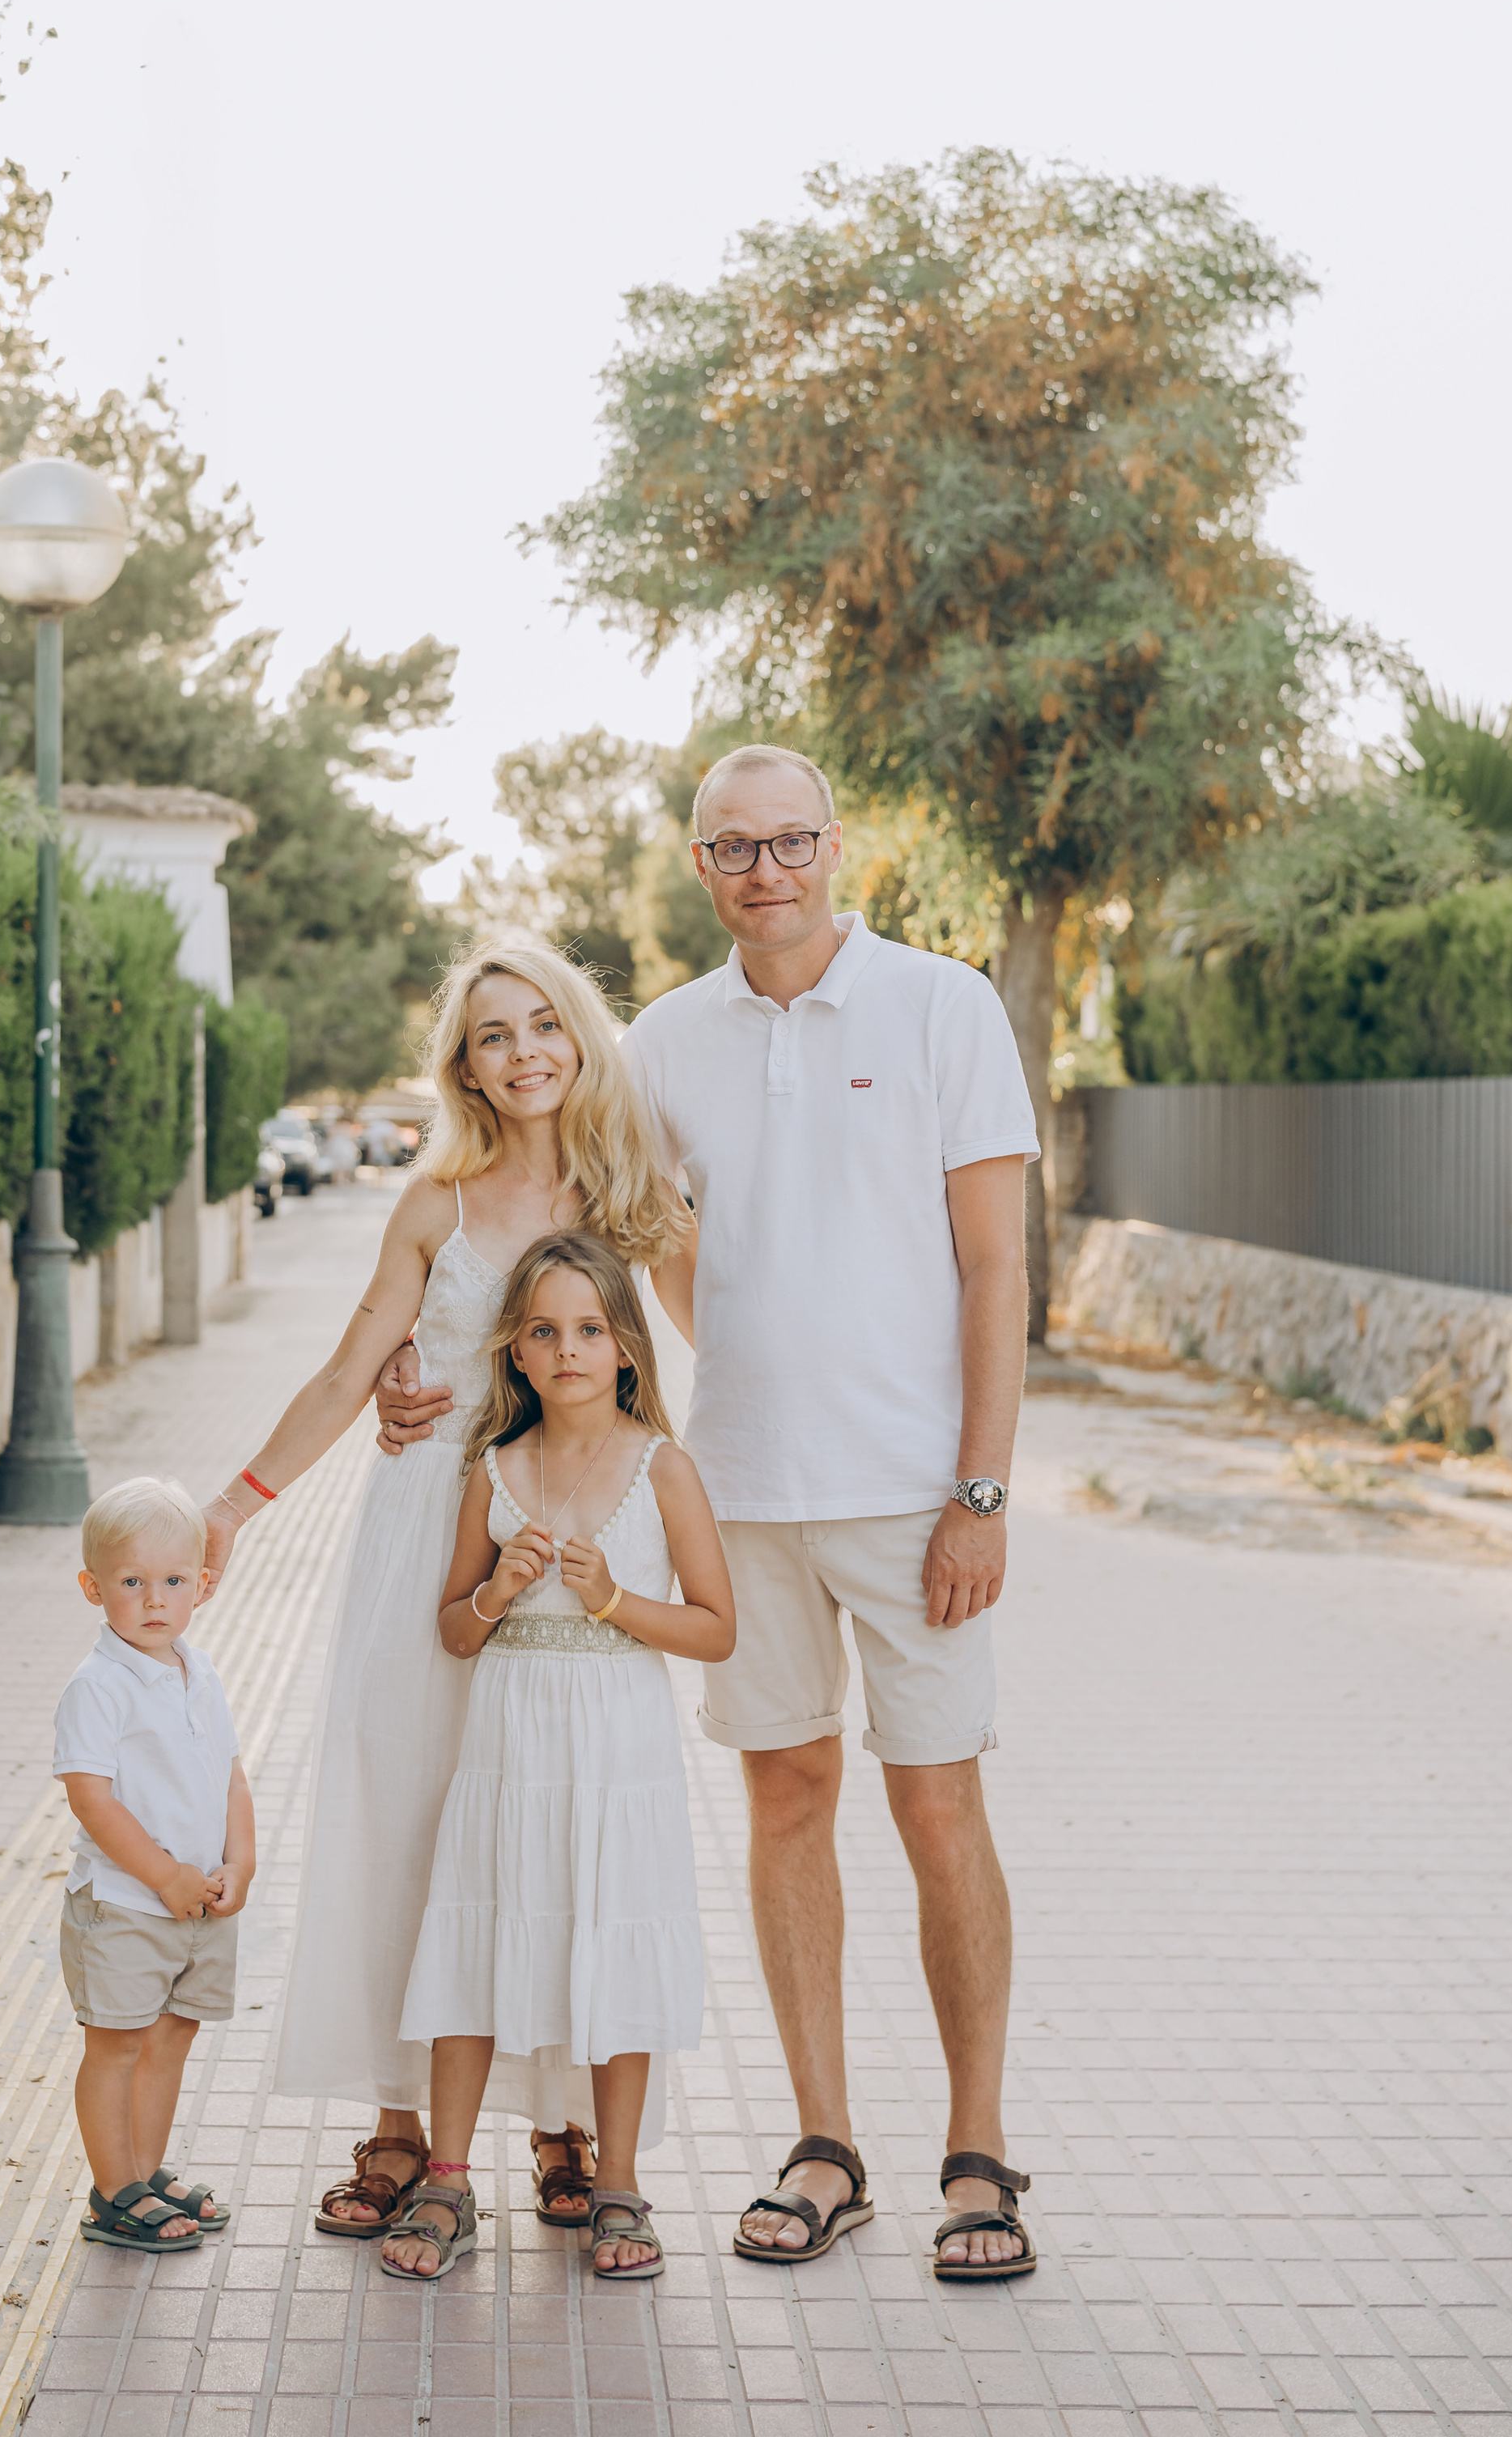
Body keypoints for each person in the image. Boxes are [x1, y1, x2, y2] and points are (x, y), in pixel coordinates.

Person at [376, 745, 1040, 2281]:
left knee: (940, 1809)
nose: (767, 871)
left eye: (791, 840)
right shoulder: (665, 1041)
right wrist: (419, 1363)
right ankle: (825, 2149)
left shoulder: (944, 1008)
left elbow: (999, 1268)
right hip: (736, 1497)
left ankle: (980, 2160)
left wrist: (982, 1489)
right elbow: (575, 1217)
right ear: (699, 865)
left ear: (835, 842)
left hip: (916, 1496)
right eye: (733, 849)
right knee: (787, 1802)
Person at [198, 938, 694, 2244]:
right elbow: (357, 1361)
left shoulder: (629, 1186)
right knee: (411, 1813)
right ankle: (403, 2118)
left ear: (580, 1038)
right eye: (492, 1035)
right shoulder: (435, 1201)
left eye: (545, 1025)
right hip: (428, 1529)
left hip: (570, 1528)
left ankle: (563, 2121)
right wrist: (235, 1504)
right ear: (462, 1064)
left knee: (555, 1816)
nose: (524, 1051)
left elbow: (701, 1336)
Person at [380, 1232, 735, 2285]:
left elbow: (717, 1629)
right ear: (518, 1354)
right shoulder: (494, 1467)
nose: (568, 1348)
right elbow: (453, 1627)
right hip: (509, 1739)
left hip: (616, 1748)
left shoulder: (663, 1468)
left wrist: (615, 1600)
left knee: (613, 1937)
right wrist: (498, 1591)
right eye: (545, 1331)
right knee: (478, 1933)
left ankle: (617, 2179)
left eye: (589, 1329)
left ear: (627, 1346)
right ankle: (449, 2176)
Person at [53, 1475, 254, 2252]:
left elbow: (230, 1774)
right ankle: (113, 2192)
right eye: (131, 1582)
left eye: (173, 1581)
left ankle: (144, 2168)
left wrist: (244, 1861)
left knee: (172, 2036)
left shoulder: (198, 1673)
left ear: (201, 1585)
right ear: (93, 1587)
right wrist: (164, 1874)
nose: (154, 1599)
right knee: (118, 2043)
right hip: (127, 1904)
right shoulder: (97, 1686)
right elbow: (92, 1800)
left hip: (199, 1900)